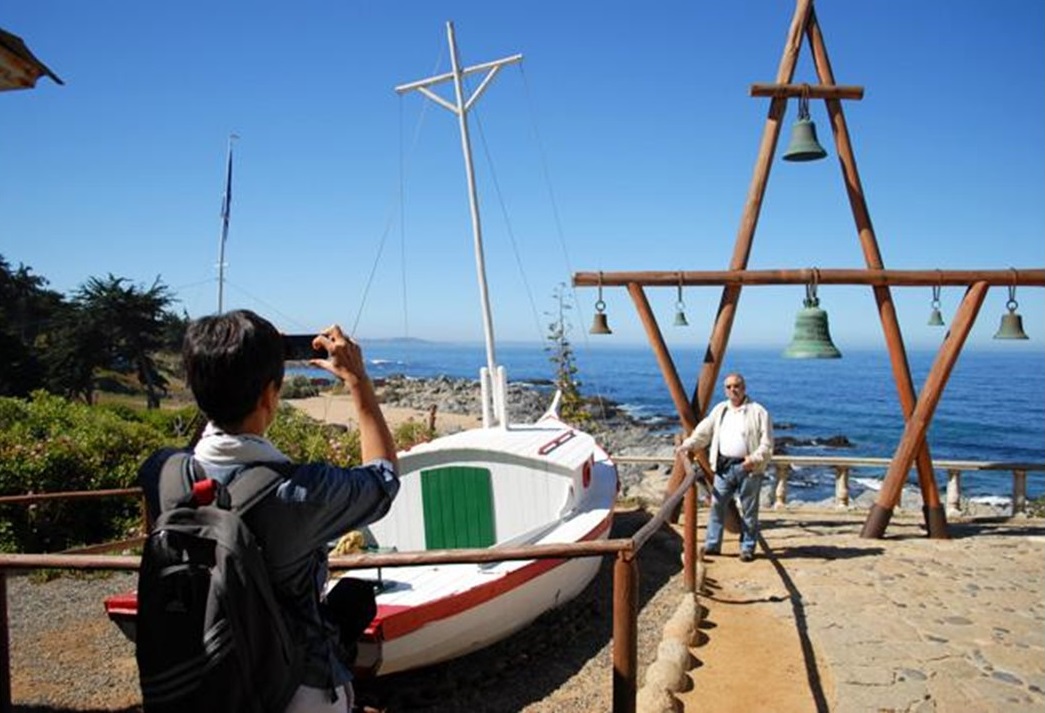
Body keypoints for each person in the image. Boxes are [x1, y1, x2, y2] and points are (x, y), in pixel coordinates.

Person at [138, 310, 399, 712]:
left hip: (201, 684)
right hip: (296, 691)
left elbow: (203, 446)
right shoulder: (300, 492)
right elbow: (383, 481)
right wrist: (358, 381)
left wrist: (229, 370)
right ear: (268, 396)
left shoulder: (162, 472)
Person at [676, 372, 772, 562]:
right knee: (717, 506)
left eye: (736, 386)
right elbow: (703, 432)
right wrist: (688, 444)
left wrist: (753, 459)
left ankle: (747, 548)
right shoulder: (720, 410)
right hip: (724, 467)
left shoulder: (759, 412)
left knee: (749, 511)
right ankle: (712, 545)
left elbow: (767, 444)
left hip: (749, 468)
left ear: (744, 388)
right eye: (728, 387)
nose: (732, 390)